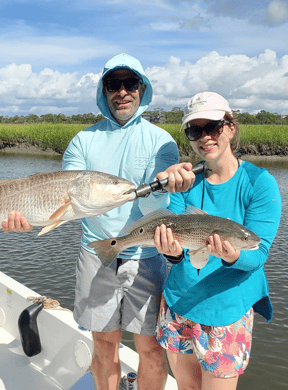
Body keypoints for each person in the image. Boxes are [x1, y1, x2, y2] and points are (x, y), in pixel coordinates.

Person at [61, 53, 190, 390]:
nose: (121, 92)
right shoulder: (82, 141)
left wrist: (167, 185)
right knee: (104, 345)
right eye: (112, 84)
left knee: (150, 349)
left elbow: (162, 204)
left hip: (147, 257)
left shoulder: (161, 140)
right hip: (96, 255)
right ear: (103, 91)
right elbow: (67, 198)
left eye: (129, 83)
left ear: (141, 88)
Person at [153, 91, 282, 390]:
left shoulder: (259, 184)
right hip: (179, 303)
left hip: (227, 311)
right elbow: (173, 247)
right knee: (186, 386)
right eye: (195, 130)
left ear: (231, 127)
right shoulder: (184, 181)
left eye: (213, 127)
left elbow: (258, 253)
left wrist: (233, 256)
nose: (205, 137)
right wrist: (170, 254)